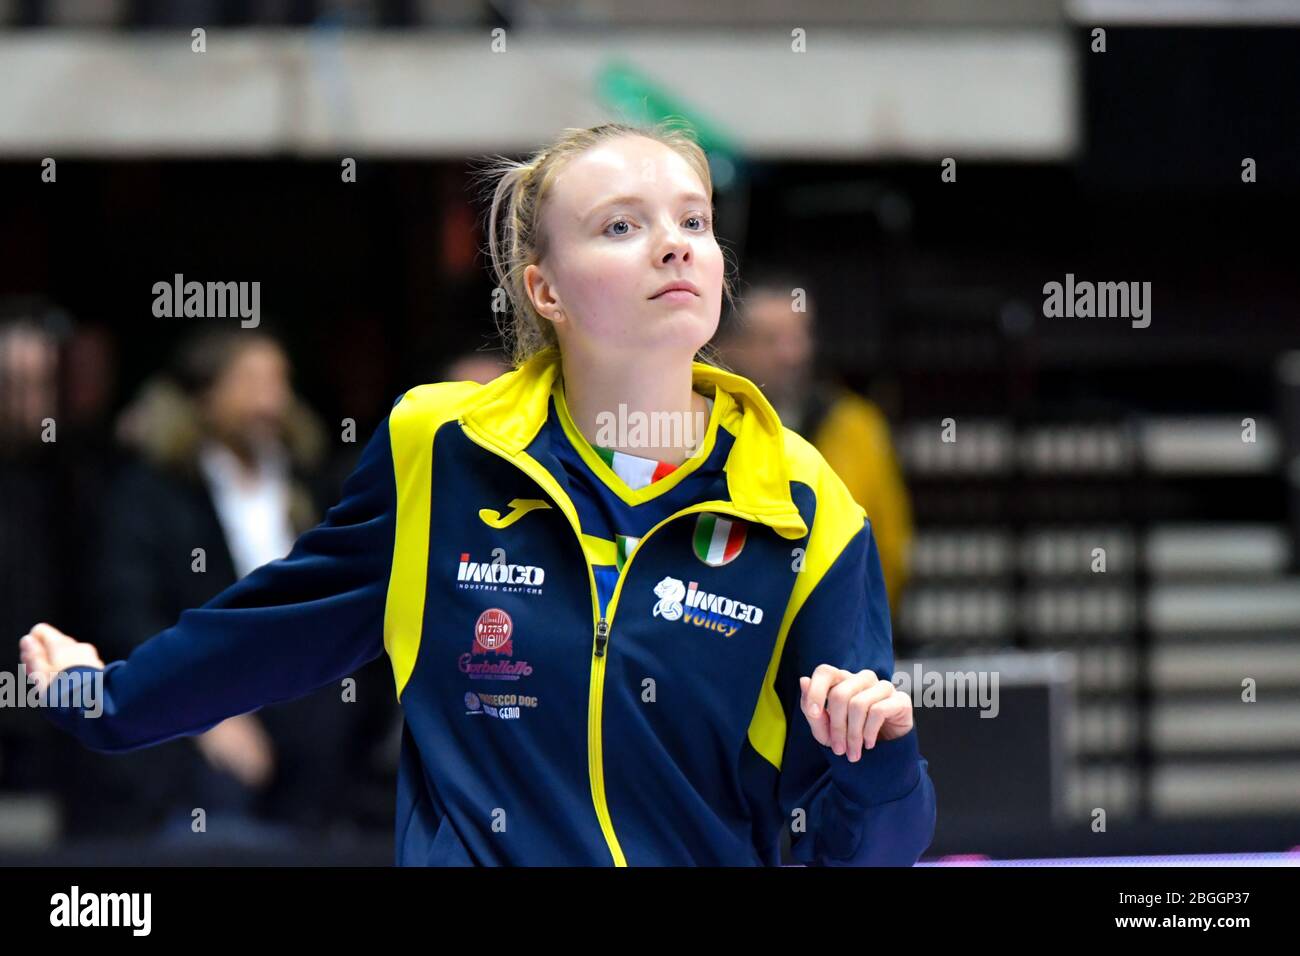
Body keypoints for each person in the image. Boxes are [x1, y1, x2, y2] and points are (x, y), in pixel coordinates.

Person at [20, 121, 936, 866]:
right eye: (622, 227)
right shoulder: (442, 447)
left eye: (693, 222)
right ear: (545, 289)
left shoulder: (805, 498)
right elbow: (272, 632)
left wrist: (882, 756)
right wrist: (107, 701)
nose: (674, 247)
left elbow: (871, 844)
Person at [717, 272, 915, 615]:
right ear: (725, 345)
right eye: (770, 340)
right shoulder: (703, 431)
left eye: (799, 336)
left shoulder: (857, 426)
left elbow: (892, 552)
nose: (790, 355)